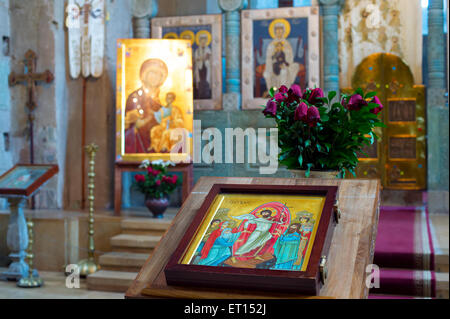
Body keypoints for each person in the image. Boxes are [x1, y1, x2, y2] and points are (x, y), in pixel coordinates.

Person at [124, 59, 168, 153]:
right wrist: (150, 118)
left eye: (159, 74)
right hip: (140, 145)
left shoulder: (160, 101)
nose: (156, 77)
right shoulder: (135, 97)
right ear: (144, 74)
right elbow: (134, 124)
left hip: (158, 145)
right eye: (152, 72)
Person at [263, 21, 299, 93]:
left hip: (284, 66)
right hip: (273, 66)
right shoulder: (271, 45)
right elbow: (268, 58)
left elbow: (290, 58)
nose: (279, 32)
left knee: (284, 72)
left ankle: (283, 93)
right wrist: (272, 64)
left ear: (283, 31)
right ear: (275, 32)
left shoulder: (287, 44)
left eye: (280, 30)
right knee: (267, 74)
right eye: (277, 30)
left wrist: (284, 64)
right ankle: (273, 92)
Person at [194, 31, 212, 99]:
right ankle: (200, 95)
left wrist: (206, 58)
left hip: (206, 68)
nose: (203, 43)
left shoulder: (208, 50)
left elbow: (210, 58)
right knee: (200, 82)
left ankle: (206, 95)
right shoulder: (197, 50)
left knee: (206, 81)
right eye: (202, 41)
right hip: (200, 69)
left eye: (204, 41)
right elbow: (196, 59)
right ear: (199, 41)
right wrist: (202, 58)